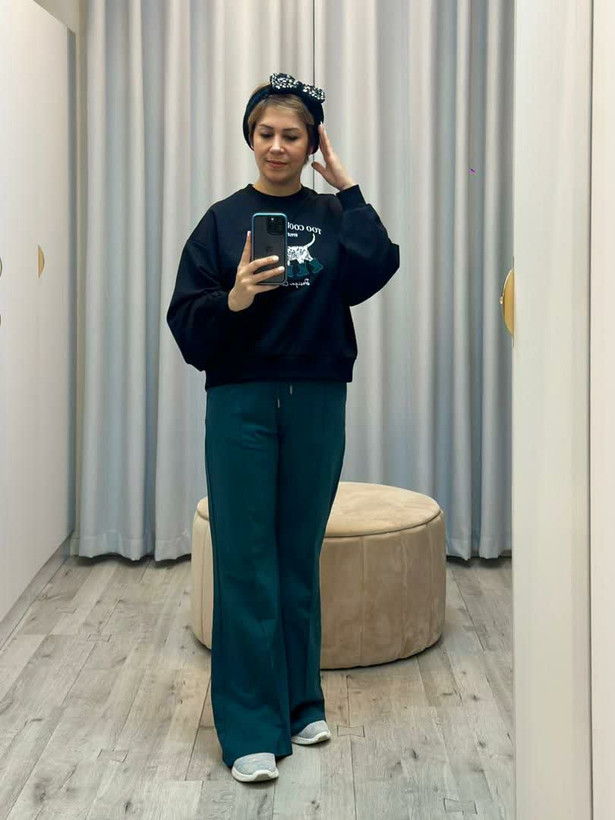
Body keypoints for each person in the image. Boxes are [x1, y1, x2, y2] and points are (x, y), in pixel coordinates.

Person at [166, 72, 400, 783]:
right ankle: (249, 728)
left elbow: (378, 266)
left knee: (298, 556)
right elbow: (186, 320)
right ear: (250, 137)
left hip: (317, 398)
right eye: (265, 133)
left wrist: (349, 189)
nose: (276, 146)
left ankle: (301, 703)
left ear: (311, 143)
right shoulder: (221, 220)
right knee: (245, 562)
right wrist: (234, 298)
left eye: (291, 135)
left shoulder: (332, 215)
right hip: (241, 401)